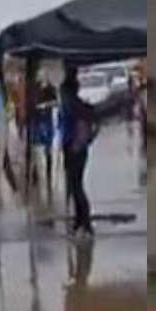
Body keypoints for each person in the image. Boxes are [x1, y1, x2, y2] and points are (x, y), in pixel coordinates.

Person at [60, 69, 98, 239]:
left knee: (76, 186)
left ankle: (86, 223)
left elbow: (86, 127)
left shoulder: (73, 106)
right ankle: (79, 221)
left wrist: (78, 144)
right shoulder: (73, 105)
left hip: (75, 148)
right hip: (71, 147)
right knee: (74, 185)